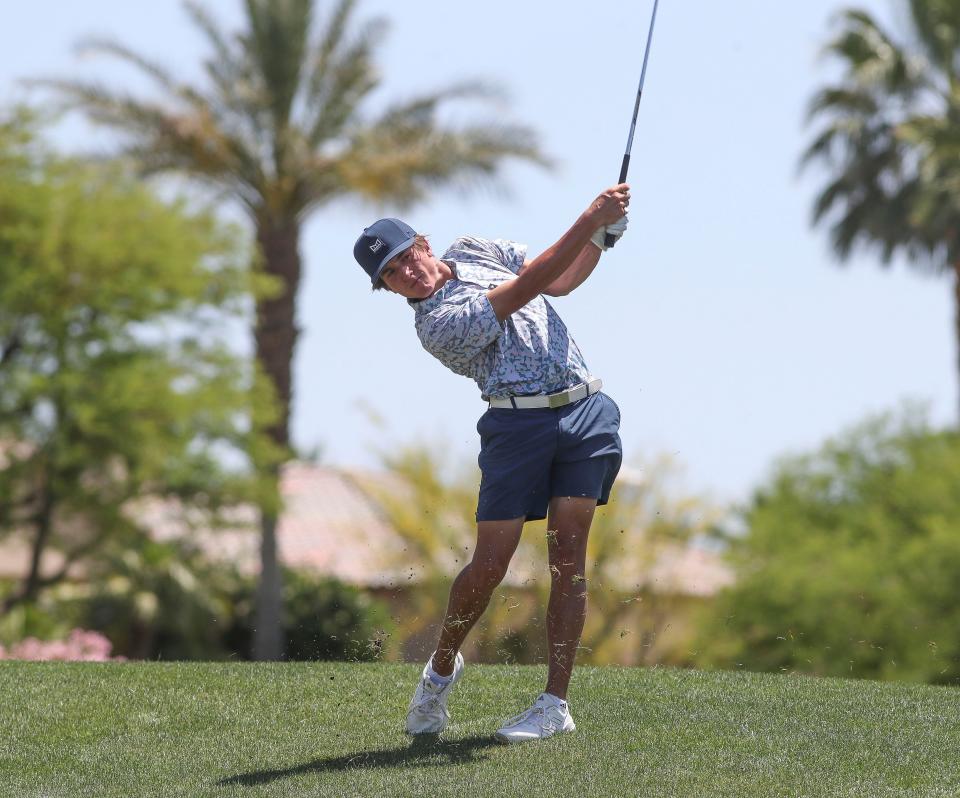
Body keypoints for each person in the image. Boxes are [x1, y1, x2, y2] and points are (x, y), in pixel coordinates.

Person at [352, 183, 630, 744]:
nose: (408, 272)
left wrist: (602, 236)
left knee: (568, 556)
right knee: (490, 564)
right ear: (386, 287)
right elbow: (524, 289)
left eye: (407, 257)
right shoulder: (436, 325)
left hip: (586, 412)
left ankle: (555, 703)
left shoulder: (477, 246)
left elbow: (559, 280)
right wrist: (587, 218)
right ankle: (441, 667)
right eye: (392, 274)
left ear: (425, 245)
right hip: (516, 429)